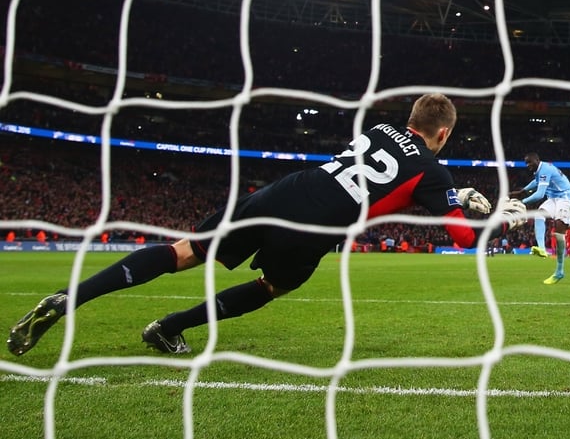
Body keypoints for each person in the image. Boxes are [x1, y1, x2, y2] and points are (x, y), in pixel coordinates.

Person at [7, 93, 528, 356]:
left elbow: (387, 179)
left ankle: (68, 298)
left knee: (184, 251)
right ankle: (169, 328)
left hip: (286, 189)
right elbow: (461, 235)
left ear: (411, 118)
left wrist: (452, 194)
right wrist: (502, 220)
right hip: (316, 224)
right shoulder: (433, 169)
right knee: (271, 286)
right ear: (444, 134)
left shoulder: (379, 128)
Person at [509, 152, 570, 285]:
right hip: (554, 199)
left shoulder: (545, 169)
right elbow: (536, 182)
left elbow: (540, 194)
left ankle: (559, 271)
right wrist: (522, 191)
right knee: (539, 214)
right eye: (526, 163)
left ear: (537, 160)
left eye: (530, 162)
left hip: (567, 198)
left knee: (559, 231)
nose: (528, 165)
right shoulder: (540, 171)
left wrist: (521, 202)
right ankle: (542, 248)